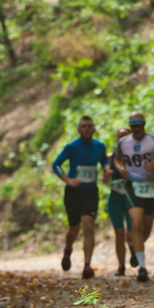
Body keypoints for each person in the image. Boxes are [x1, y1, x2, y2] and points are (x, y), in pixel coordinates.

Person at [114, 112, 154, 282]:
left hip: (152, 186)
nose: (136, 128)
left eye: (139, 124)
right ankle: (142, 268)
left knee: (145, 229)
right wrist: (120, 169)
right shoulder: (123, 143)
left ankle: (135, 248)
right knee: (136, 224)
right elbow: (117, 160)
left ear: (144, 124)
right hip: (132, 185)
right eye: (133, 124)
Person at [52, 116, 111, 279]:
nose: (86, 128)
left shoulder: (99, 146)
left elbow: (104, 160)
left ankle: (87, 265)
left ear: (93, 129)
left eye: (89, 126)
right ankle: (68, 250)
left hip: (90, 192)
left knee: (89, 225)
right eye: (83, 126)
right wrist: (68, 180)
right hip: (73, 193)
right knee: (74, 228)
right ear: (78, 129)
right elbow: (56, 164)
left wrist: (106, 169)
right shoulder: (72, 147)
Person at [106, 127, 135, 277]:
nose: (123, 139)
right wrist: (106, 175)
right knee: (118, 233)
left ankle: (132, 248)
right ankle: (121, 266)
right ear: (117, 140)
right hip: (115, 199)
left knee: (130, 234)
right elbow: (104, 179)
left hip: (130, 200)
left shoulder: (136, 156)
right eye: (121, 136)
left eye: (126, 136)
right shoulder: (110, 158)